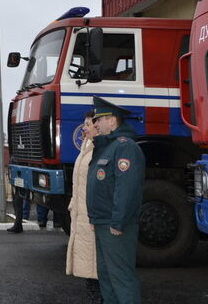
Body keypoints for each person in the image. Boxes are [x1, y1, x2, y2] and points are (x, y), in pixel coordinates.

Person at [87, 97, 145, 304]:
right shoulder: (106, 147)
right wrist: (94, 218)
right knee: (106, 277)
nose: (95, 124)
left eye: (99, 119)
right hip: (103, 222)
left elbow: (126, 188)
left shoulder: (124, 147)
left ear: (112, 121)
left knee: (121, 278)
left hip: (115, 225)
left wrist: (118, 222)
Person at [66, 110, 102, 303]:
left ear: (98, 127)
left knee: (95, 264)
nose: (84, 128)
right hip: (82, 214)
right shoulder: (86, 148)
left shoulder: (100, 150)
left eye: (88, 124)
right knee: (89, 265)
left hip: (92, 216)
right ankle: (93, 297)